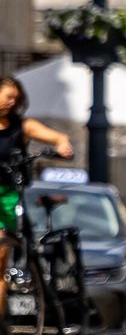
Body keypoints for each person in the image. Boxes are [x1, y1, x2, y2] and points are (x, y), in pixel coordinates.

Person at [0, 77, 73, 319]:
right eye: (7, 96)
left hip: (8, 194)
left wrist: (62, 145)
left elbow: (57, 137)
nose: (11, 102)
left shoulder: (23, 126)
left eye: (15, 98)